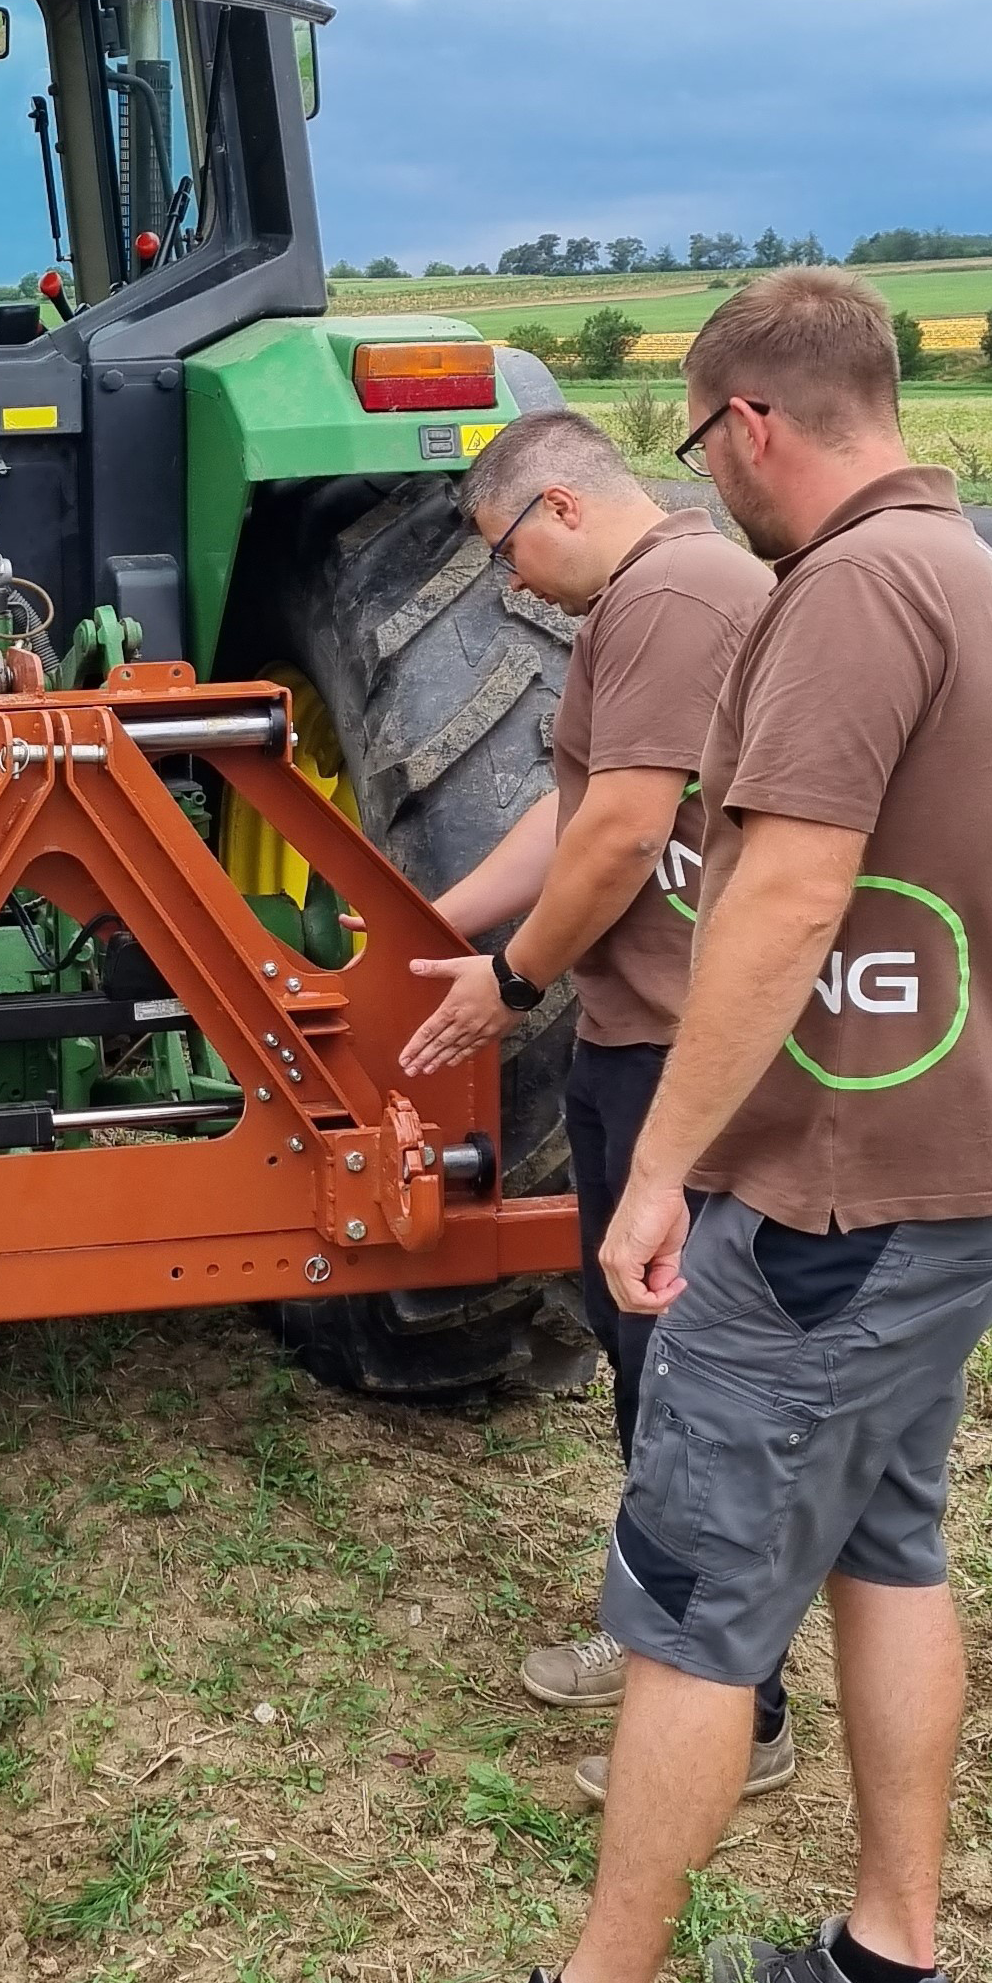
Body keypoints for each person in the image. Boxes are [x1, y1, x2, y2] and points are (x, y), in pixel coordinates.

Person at [471, 270, 992, 1983]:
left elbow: (788, 889)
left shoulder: (848, 591)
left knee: (685, 1597)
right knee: (888, 1547)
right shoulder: (984, 582)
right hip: (972, 1170)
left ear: (748, 423)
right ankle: (889, 1959)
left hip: (836, 1207)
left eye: (699, 441)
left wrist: (658, 1164)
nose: (705, 480)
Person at [401, 408, 785, 1796]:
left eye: (505, 550)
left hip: (686, 1046)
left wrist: (505, 982)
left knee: (688, 1377)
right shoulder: (651, 598)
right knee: (644, 1367)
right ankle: (668, 1648)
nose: (505, 585)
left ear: (558, 504)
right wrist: (429, 922)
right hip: (639, 1033)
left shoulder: (673, 595)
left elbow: (624, 832)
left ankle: (729, 1710)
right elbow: (577, 810)